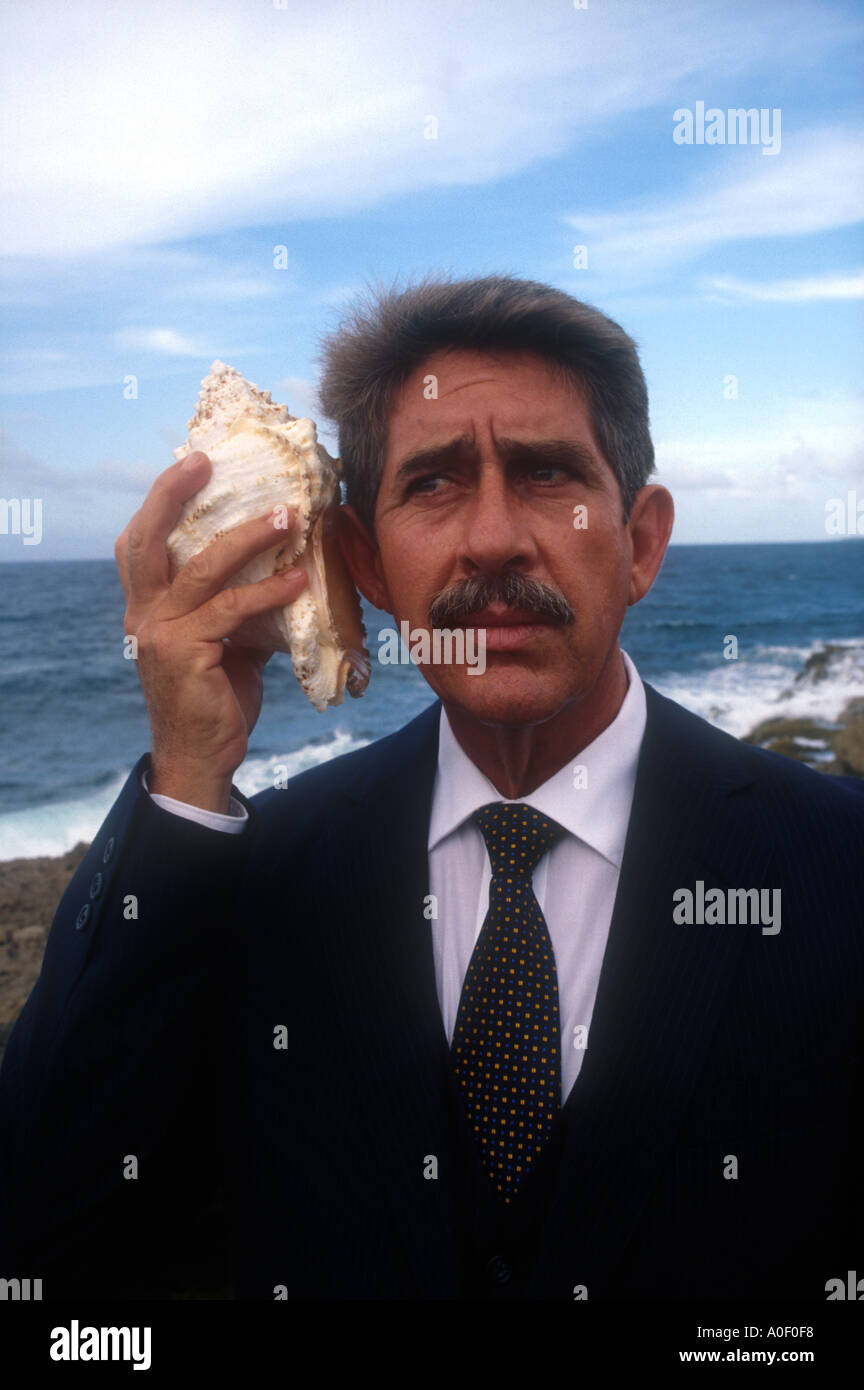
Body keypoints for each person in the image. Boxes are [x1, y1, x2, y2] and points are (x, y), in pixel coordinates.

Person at [1, 276, 861, 1301]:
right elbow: (46, 1233)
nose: (493, 538)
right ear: (362, 560)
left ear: (639, 542)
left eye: (548, 474)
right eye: (435, 484)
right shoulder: (257, 875)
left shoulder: (834, 867)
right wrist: (187, 776)